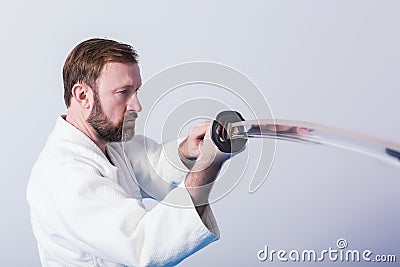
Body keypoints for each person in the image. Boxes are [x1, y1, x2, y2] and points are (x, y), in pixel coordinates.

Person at [27, 38, 235, 266]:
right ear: (83, 96)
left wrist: (189, 150)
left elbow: (154, 168)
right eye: (123, 92)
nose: (136, 106)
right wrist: (209, 163)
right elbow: (144, 246)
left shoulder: (108, 143)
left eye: (136, 91)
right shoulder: (65, 174)